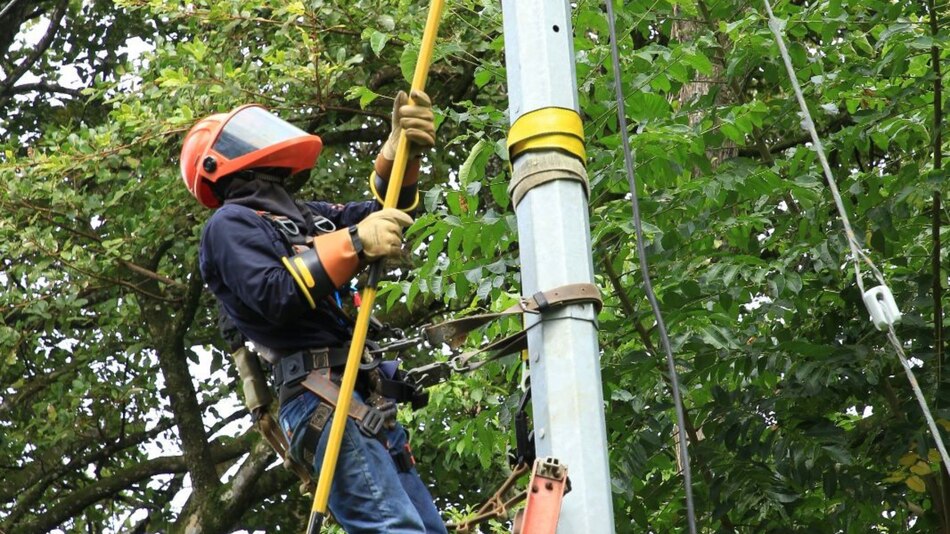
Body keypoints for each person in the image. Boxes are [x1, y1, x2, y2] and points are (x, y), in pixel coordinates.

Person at [180, 90, 447, 533]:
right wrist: (356, 243)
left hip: (361, 399)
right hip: (319, 396)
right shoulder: (227, 226)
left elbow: (386, 216)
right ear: (216, 163)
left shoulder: (307, 217)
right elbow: (275, 293)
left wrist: (400, 153)